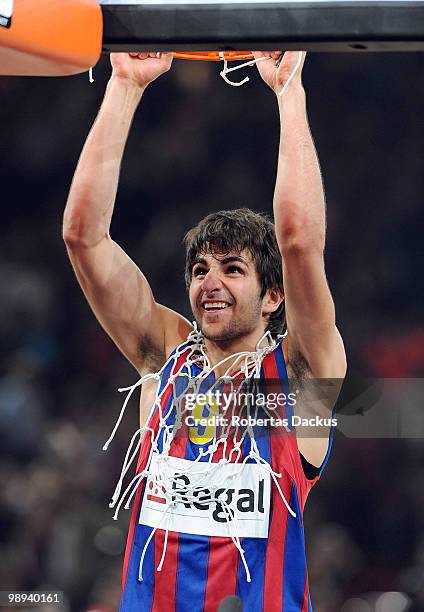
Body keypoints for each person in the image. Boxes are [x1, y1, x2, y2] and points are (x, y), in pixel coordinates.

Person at [63, 50, 346, 612]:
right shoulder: (163, 356)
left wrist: (290, 91)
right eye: (200, 270)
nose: (209, 283)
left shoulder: (297, 376)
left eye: (233, 269)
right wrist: (124, 83)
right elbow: (83, 237)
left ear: (273, 296)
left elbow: (297, 241)